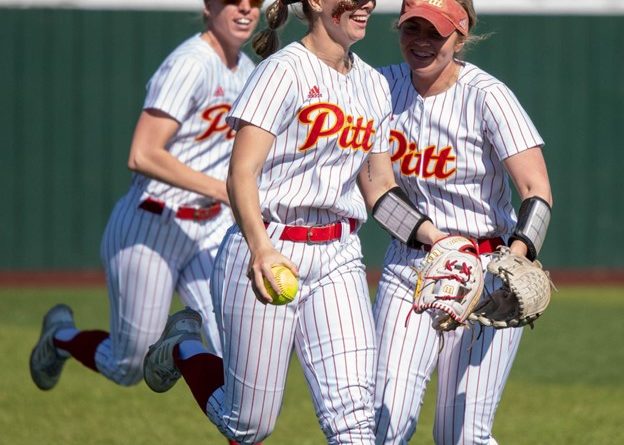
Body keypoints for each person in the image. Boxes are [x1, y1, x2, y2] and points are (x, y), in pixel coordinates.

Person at [141, 0, 448, 443]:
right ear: (318, 3)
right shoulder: (282, 71)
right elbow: (241, 172)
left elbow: (379, 184)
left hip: (340, 255)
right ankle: (184, 347)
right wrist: (260, 247)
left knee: (355, 422)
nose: (367, 4)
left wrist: (431, 236)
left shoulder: (373, 84)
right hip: (271, 245)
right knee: (248, 426)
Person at [30, 3, 261, 443]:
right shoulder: (190, 63)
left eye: (254, 0)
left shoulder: (247, 68)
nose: (246, 8)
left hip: (209, 227)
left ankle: (180, 347)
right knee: (128, 365)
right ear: (210, 7)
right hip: (153, 222)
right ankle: (61, 336)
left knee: (239, 360)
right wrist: (222, 189)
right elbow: (142, 153)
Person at [372, 0, 553, 444]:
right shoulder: (379, 88)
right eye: (411, 28)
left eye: (435, 32)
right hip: (410, 265)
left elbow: (536, 191)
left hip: (487, 272)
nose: (421, 41)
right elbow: (376, 191)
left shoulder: (487, 95)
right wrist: (436, 240)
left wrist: (517, 258)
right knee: (383, 421)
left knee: (461, 434)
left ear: (462, 33)